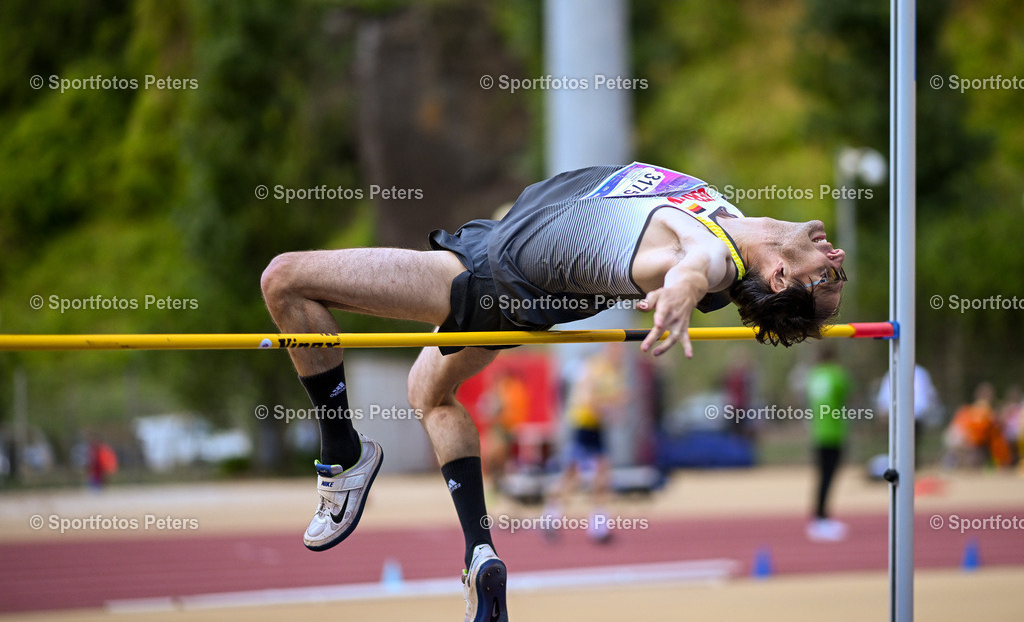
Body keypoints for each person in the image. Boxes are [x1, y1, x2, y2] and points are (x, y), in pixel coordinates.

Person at [259, 162, 847, 621]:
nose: (835, 256)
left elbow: (696, 265)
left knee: (285, 280)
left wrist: (681, 293)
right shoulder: (732, 221)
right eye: (837, 272)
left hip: (481, 277)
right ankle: (479, 555)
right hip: (512, 279)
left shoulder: (715, 256)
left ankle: (342, 456)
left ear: (778, 277)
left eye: (828, 275)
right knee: (428, 396)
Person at [542, 343, 628, 544]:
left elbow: (616, 400)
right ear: (609, 349)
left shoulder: (615, 372)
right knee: (572, 476)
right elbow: (587, 399)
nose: (620, 354)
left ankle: (597, 526)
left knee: (601, 476)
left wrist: (614, 407)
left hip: (597, 428)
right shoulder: (594, 368)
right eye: (617, 350)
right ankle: (551, 516)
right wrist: (609, 407)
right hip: (584, 426)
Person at [804, 344, 853, 541]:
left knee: (822, 477)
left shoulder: (813, 375)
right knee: (829, 477)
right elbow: (846, 394)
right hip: (834, 432)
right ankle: (821, 518)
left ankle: (820, 517)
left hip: (818, 432)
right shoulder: (837, 374)